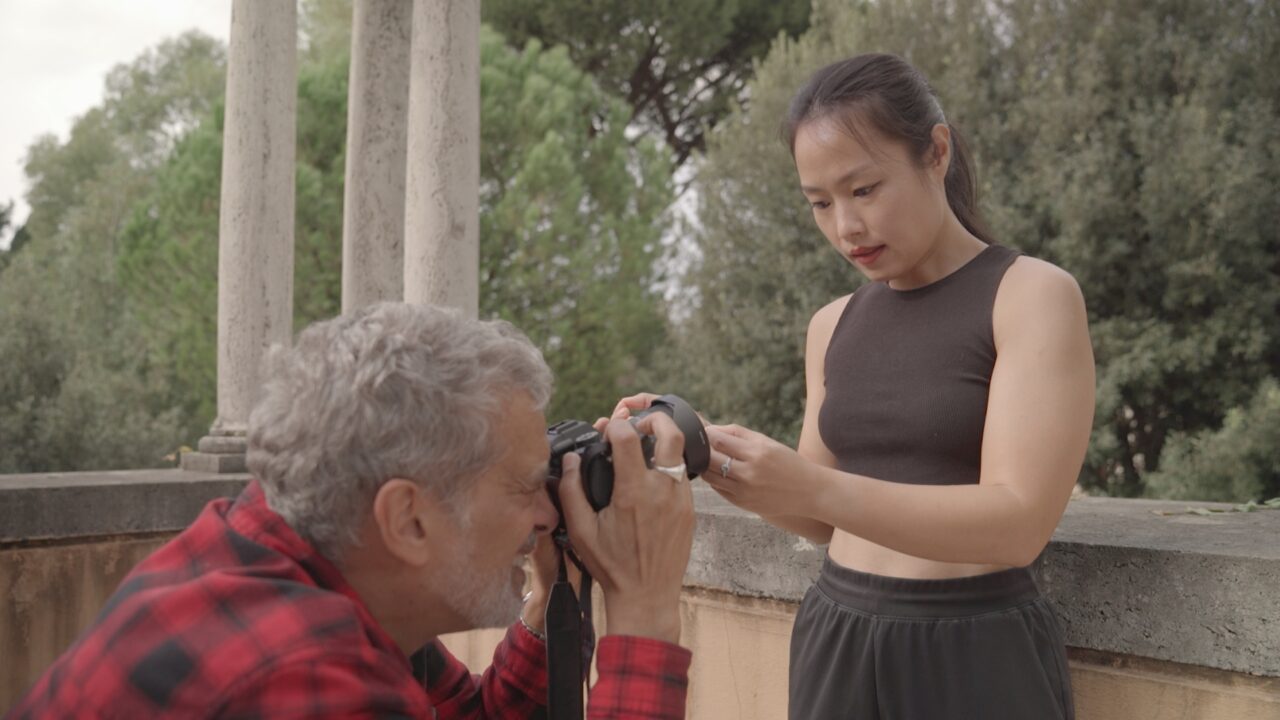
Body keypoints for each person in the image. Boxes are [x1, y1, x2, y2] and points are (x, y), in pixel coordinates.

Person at [615, 53, 1094, 719]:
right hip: (836, 630)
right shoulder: (832, 324)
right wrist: (706, 451)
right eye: (819, 202)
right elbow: (816, 514)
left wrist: (813, 486)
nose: (846, 228)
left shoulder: (1030, 296)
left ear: (936, 152)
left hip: (974, 646)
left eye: (864, 190)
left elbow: (1019, 525)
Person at [8, 302, 695, 719]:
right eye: (525, 487)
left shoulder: (265, 557)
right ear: (408, 521)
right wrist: (646, 621)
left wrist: (550, 607)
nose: (548, 515)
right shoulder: (299, 674)